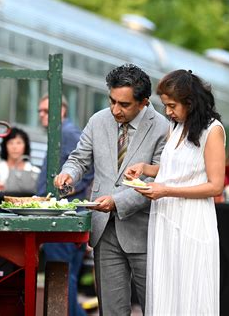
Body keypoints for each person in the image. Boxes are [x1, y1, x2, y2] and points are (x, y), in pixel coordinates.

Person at [54, 64, 169, 315]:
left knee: (156, 308)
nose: (115, 109)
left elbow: (157, 181)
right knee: (112, 311)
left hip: (145, 232)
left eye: (124, 104)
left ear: (144, 102)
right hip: (104, 230)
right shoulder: (98, 120)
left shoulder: (163, 128)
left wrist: (117, 202)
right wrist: (68, 174)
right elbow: (79, 158)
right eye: (112, 101)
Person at [125, 69, 225, 315]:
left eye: (171, 105)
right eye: (165, 106)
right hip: (166, 221)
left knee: (190, 292)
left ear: (190, 103)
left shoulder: (213, 130)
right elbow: (176, 169)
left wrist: (166, 190)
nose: (167, 112)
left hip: (192, 222)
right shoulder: (177, 127)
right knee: (166, 290)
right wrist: (147, 169)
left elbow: (215, 185)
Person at [36, 94, 94, 316]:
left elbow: (87, 168)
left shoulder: (67, 133)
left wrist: (62, 196)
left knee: (60, 273)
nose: (40, 115)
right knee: (64, 273)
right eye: (39, 111)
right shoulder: (60, 133)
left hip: (62, 215)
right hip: (64, 212)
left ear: (61, 110)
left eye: (45, 111)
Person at [0, 127, 40, 195]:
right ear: (5, 146)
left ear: (25, 146)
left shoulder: (35, 172)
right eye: (10, 143)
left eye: (19, 143)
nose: (14, 147)